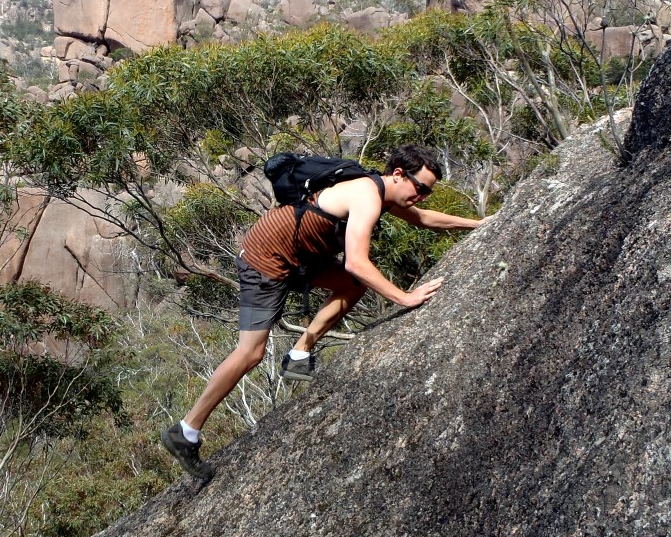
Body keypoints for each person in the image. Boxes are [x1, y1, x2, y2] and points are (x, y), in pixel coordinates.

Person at [160, 144, 487, 480]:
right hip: (267, 258)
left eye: (427, 192)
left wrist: (480, 223)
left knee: (352, 287)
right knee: (251, 352)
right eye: (420, 188)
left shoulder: (384, 194)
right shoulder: (366, 195)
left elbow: (425, 219)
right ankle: (186, 431)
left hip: (301, 255)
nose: (421, 197)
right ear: (399, 175)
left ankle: (299, 353)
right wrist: (404, 298)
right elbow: (357, 262)